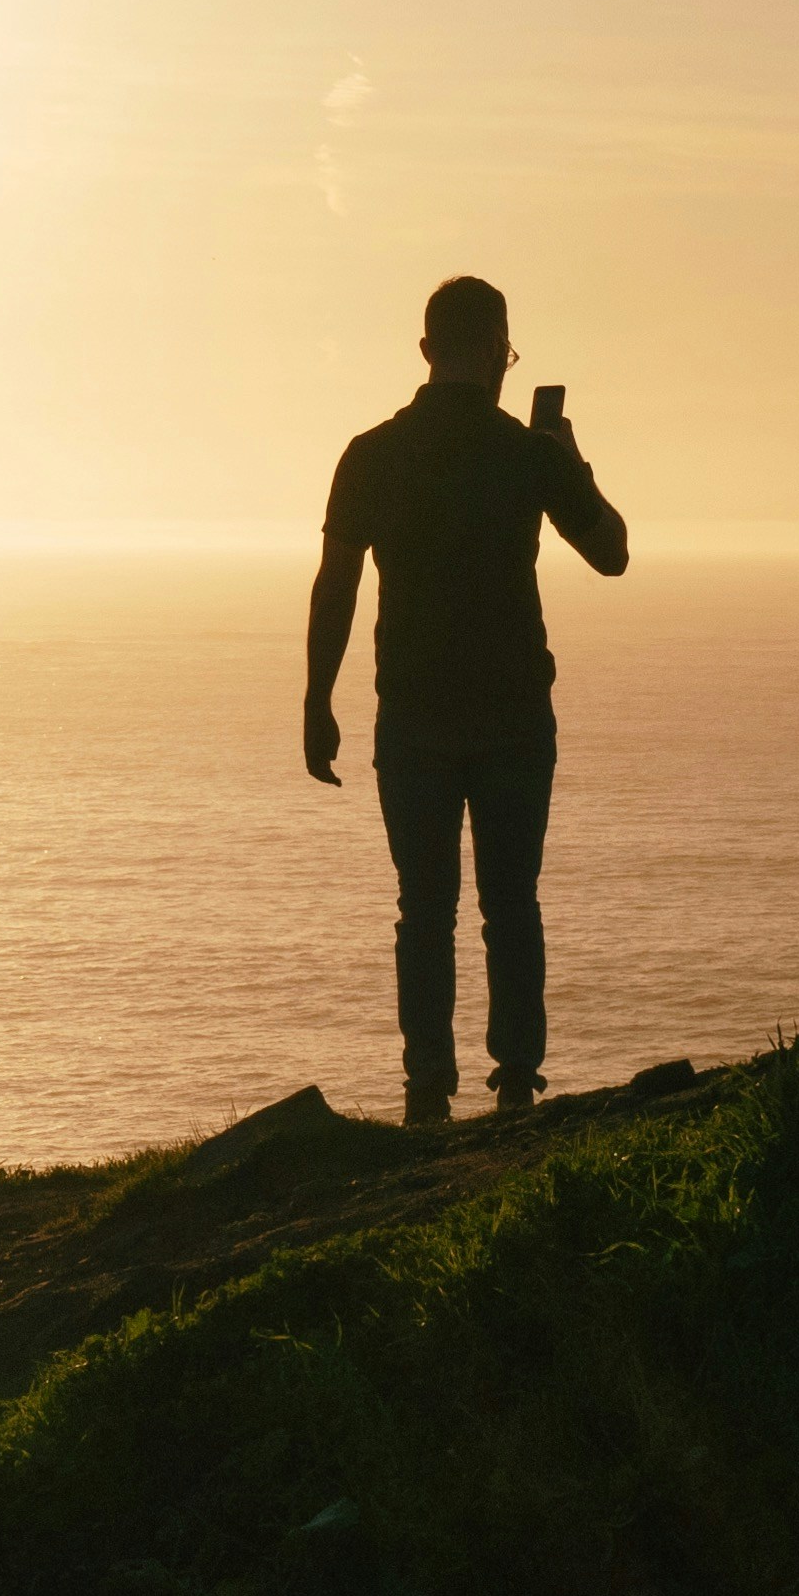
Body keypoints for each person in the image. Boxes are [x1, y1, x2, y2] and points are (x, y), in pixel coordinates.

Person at [304, 275, 630, 1123]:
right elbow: (612, 553)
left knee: (425, 908)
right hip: (515, 712)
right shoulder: (526, 454)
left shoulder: (371, 453)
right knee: (511, 903)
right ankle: (517, 1084)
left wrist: (316, 698)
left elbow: (334, 585)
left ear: (425, 350)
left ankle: (426, 1093)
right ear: (495, 348)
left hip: (412, 713)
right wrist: (570, 457)